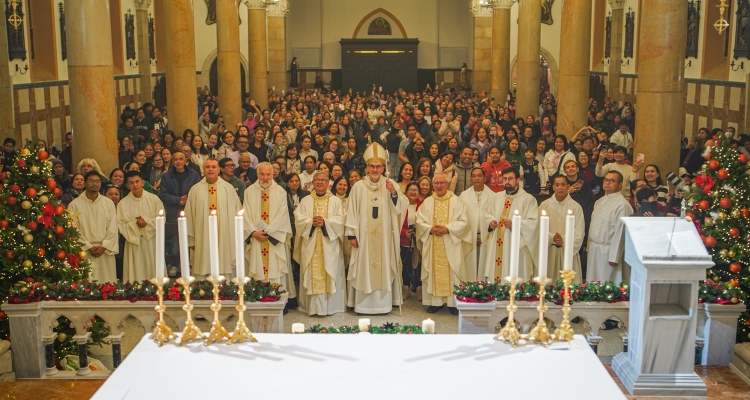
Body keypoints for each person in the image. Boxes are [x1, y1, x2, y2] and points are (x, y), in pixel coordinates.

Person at [346, 142, 407, 314]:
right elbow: (351, 211)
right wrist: (351, 234)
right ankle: (362, 306)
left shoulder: (390, 185)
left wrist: (394, 193)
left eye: (378, 166)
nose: (375, 169)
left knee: (384, 265)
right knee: (362, 266)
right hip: (363, 238)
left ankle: (384, 305)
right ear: (366, 168)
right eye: (372, 166)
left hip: (385, 238)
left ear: (383, 167)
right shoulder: (358, 187)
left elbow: (401, 207)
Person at [416, 173, 472, 314]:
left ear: (448, 184)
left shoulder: (457, 201)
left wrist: (448, 228)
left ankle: (453, 303)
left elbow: (464, 222)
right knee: (434, 271)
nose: (439, 185)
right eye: (436, 183)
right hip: (433, 242)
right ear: (433, 185)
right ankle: (436, 303)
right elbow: (419, 220)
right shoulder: (427, 202)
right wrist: (430, 229)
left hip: (451, 243)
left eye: (442, 183)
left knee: (453, 271)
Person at [244, 163, 297, 308]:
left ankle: (277, 300)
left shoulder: (280, 191)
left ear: (273, 174)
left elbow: (282, 215)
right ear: (257, 174)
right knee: (258, 267)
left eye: (268, 174)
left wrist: (269, 232)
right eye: (262, 174)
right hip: (256, 238)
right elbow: (245, 215)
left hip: (274, 239)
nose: (265, 178)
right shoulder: (249, 192)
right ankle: (258, 299)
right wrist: (253, 232)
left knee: (275, 269)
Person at [293, 171, 346, 316]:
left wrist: (325, 223)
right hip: (310, 245)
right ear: (313, 182)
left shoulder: (335, 201)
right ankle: (310, 307)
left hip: (329, 245)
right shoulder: (305, 201)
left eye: (323, 180)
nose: (320, 182)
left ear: (328, 182)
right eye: (317, 180)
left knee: (330, 270)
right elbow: (298, 219)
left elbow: (341, 221)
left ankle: (330, 308)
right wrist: (310, 222)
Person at [184, 158, 241, 280]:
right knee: (202, 264)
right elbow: (189, 216)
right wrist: (192, 240)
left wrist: (234, 239)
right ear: (203, 169)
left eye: (213, 167)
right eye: (207, 167)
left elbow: (236, 214)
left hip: (224, 237)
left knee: (223, 265)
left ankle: (225, 293)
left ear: (219, 169)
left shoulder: (228, 189)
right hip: (202, 237)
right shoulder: (195, 190)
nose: (210, 169)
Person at [482, 167, 539, 281]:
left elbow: (534, 222)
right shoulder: (497, 197)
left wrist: (515, 224)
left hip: (517, 245)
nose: (507, 182)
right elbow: (488, 214)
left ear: (518, 180)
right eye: (504, 179)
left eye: (510, 178)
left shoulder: (528, 199)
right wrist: (491, 222)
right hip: (497, 244)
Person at [68, 171, 119, 283]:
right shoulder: (74, 205)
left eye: (97, 181)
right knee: (86, 285)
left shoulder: (108, 203)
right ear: (85, 183)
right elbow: (73, 229)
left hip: (105, 251)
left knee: (107, 285)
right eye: (91, 181)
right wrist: (87, 246)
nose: (95, 184)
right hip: (85, 251)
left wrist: (104, 246)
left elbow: (113, 227)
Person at [117, 171, 164, 282]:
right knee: (135, 271)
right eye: (131, 183)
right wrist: (135, 226)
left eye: (137, 181)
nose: (135, 185)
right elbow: (120, 224)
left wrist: (146, 222)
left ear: (143, 183)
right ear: (128, 186)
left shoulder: (154, 199)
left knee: (153, 268)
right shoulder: (123, 204)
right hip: (133, 243)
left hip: (151, 241)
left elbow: (161, 218)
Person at [587, 171, 633, 283]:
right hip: (595, 247)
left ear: (620, 184)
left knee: (607, 284)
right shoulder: (599, 201)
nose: (607, 183)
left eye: (612, 181)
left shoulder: (622, 204)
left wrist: (614, 256)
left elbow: (621, 232)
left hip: (608, 251)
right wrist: (589, 246)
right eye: (606, 180)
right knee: (593, 282)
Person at [539, 175, 585, 284]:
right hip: (549, 251)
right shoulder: (544, 205)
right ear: (553, 187)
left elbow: (579, 232)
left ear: (568, 186)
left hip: (568, 251)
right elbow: (538, 228)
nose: (560, 188)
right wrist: (552, 237)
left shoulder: (576, 207)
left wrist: (563, 239)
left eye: (563, 185)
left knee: (569, 287)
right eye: (557, 185)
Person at [458, 168, 496, 282]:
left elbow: (495, 215)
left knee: (485, 265)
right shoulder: (463, 196)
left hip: (487, 236)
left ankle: (485, 289)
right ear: (470, 179)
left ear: (485, 178)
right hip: (469, 237)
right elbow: (460, 217)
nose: (476, 178)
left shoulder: (494, 196)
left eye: (479, 176)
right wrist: (470, 236)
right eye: (474, 176)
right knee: (470, 266)